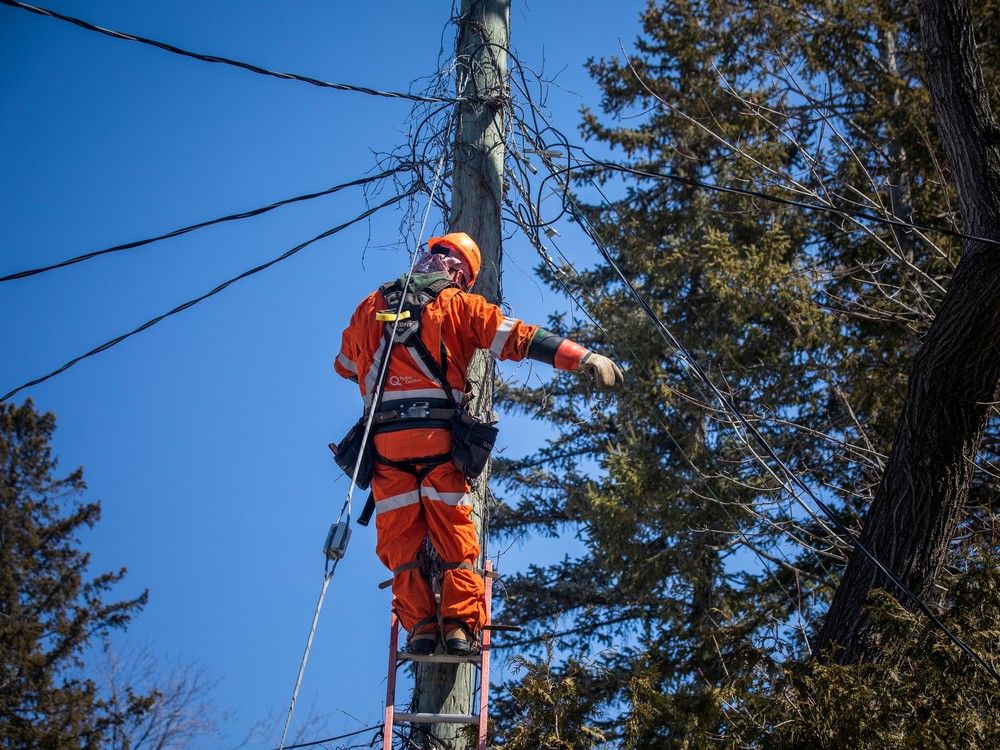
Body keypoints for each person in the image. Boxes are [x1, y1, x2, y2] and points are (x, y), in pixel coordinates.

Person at [334, 232, 623, 654]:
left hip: (385, 449)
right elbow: (519, 337)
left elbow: (343, 365)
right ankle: (457, 627)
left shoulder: (368, 307)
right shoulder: (459, 306)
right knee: (455, 538)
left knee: (402, 543)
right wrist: (584, 357)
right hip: (437, 443)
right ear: (461, 275)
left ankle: (421, 630)